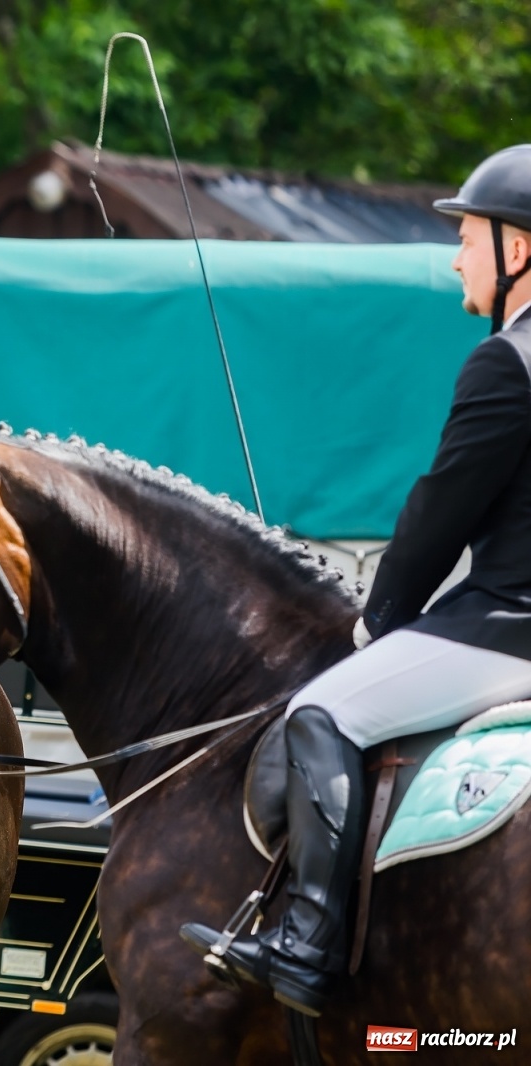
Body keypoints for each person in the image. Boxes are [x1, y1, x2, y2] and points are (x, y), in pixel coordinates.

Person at [181, 144, 531, 1016]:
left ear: (519, 249)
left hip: (511, 631)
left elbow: (440, 510)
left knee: (324, 712)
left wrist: (382, 617)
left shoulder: (508, 362)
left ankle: (305, 944)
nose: (457, 255)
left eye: (471, 237)